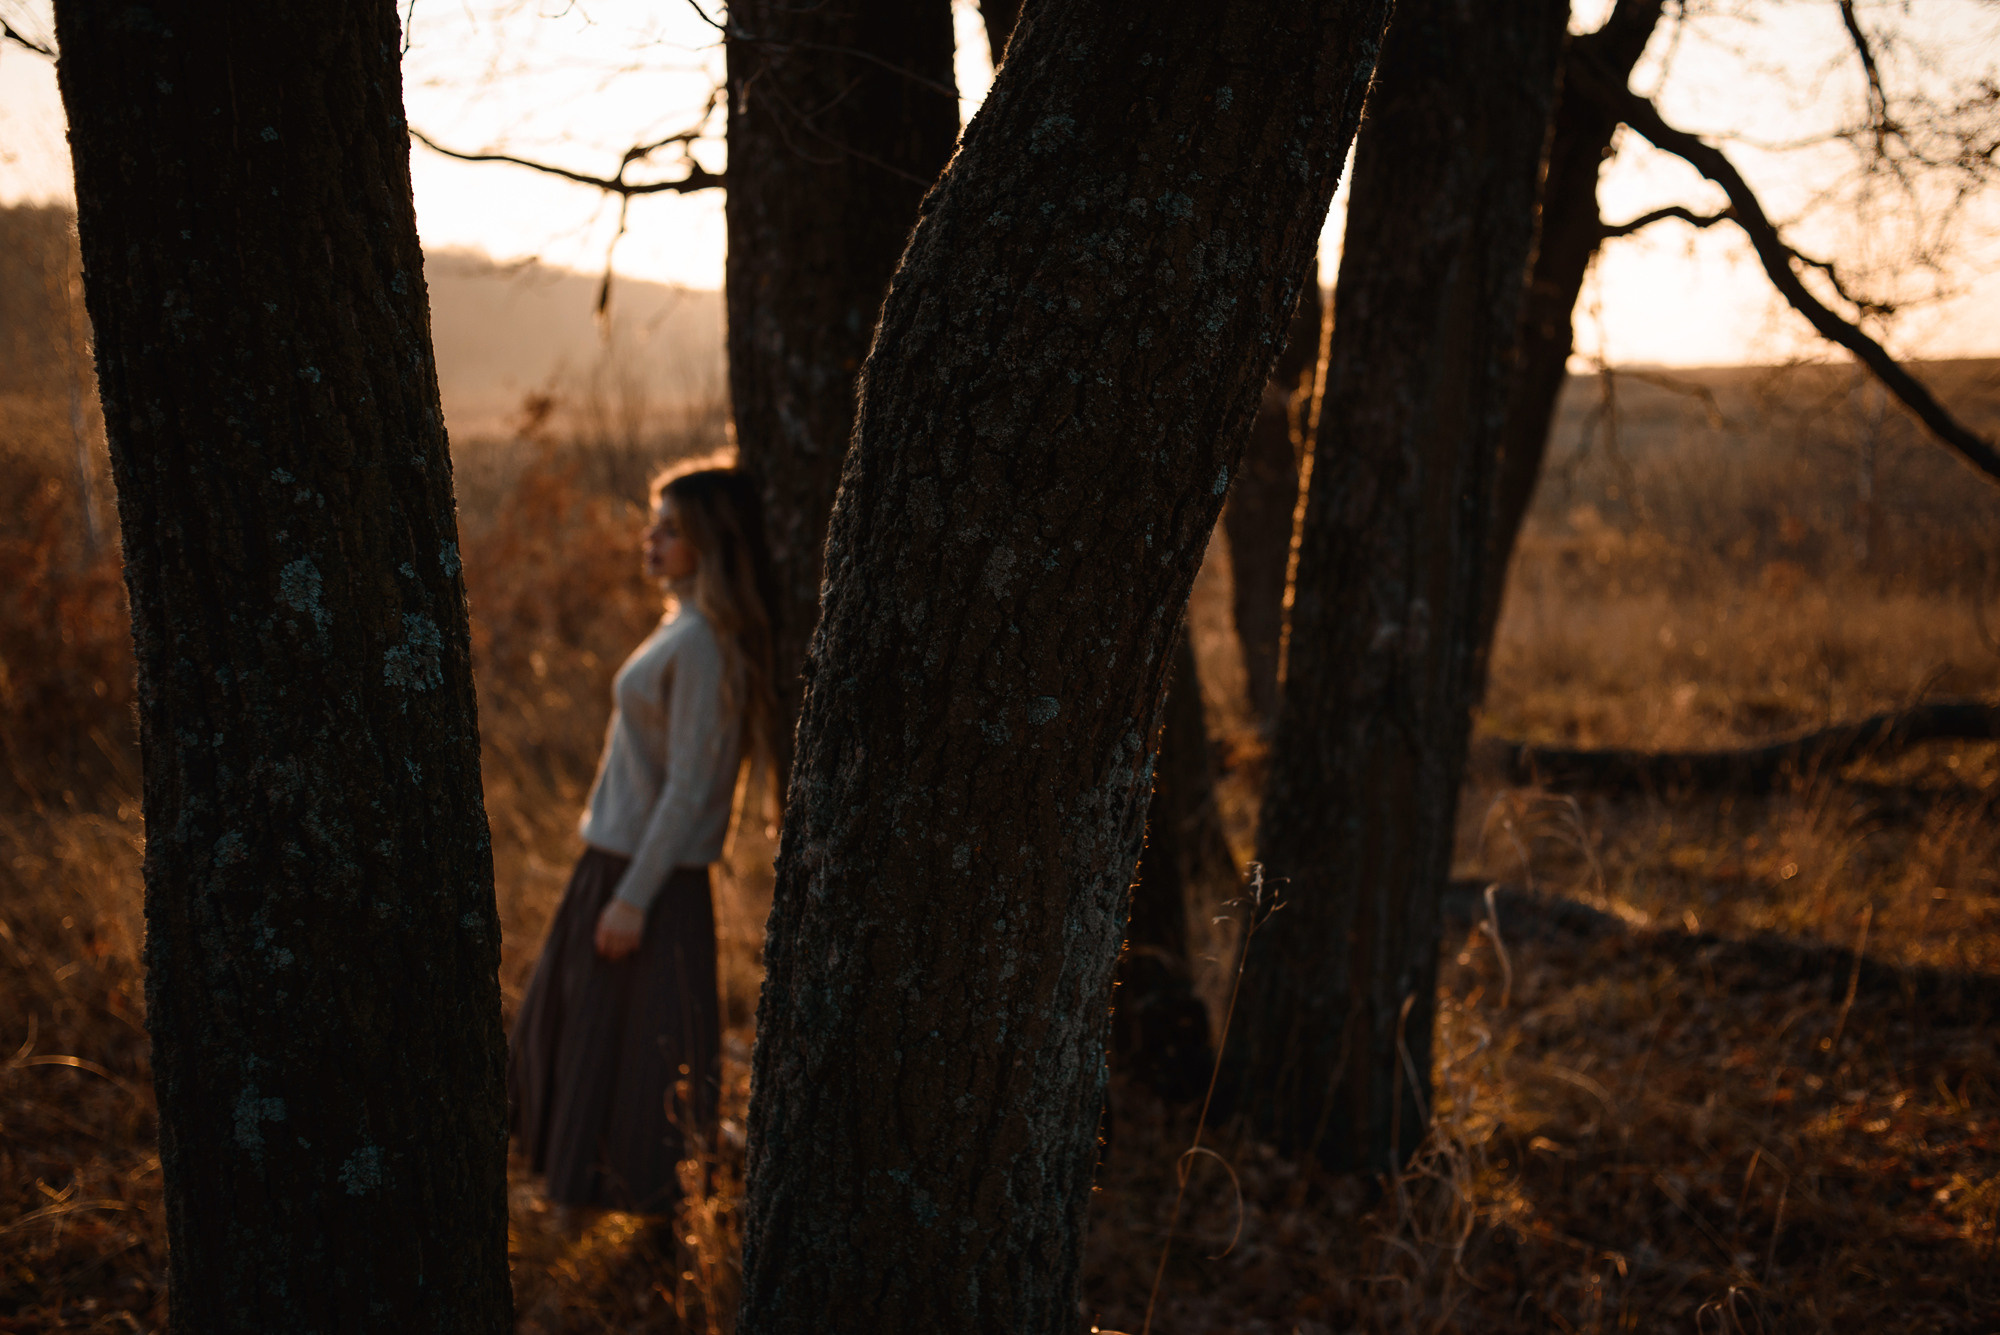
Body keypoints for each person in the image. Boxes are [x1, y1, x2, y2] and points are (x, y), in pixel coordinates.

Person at [508, 459, 779, 1216]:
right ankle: (576, 1209)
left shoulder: (702, 642)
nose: (649, 539)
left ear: (709, 540)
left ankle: (626, 1219)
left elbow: (693, 787)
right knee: (583, 1037)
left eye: (669, 529)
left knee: (626, 1053)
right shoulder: (684, 626)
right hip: (620, 861)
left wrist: (631, 898)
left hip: (647, 877)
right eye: (651, 524)